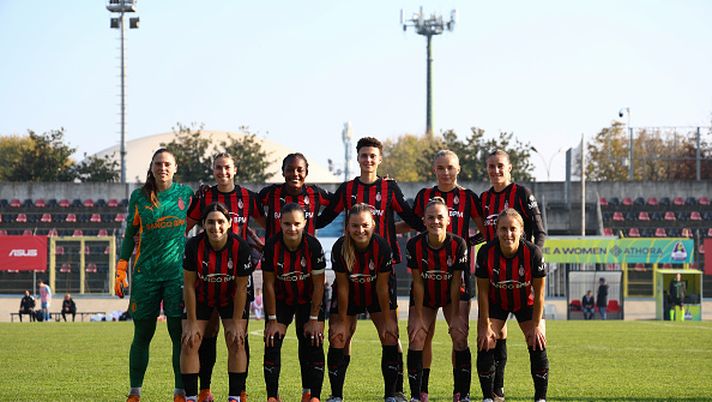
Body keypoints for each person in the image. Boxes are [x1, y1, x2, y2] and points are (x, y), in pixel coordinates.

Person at [317, 137, 425, 401]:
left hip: (382, 270)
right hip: (350, 269)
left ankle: (395, 391)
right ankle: (336, 394)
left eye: (372, 156)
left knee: (389, 332)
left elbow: (412, 219)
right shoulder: (347, 189)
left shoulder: (390, 188)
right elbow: (322, 218)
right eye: (364, 155)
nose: (368, 160)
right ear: (357, 158)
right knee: (341, 333)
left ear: (380, 159)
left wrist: (438, 226)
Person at [114, 147, 195, 402]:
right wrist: (121, 266)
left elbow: (208, 222)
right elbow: (130, 233)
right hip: (145, 275)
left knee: (178, 335)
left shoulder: (186, 194)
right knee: (142, 334)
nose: (163, 168)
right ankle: (134, 392)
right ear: (151, 167)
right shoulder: (139, 196)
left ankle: (180, 392)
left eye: (167, 164)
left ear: (175, 167)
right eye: (158, 164)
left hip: (176, 276)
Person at [186, 152, 266, 402]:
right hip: (207, 272)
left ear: (235, 170)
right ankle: (204, 390)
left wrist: (263, 246)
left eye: (227, 168)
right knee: (206, 332)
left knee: (237, 333)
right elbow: (185, 225)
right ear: (213, 170)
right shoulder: (204, 196)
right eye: (218, 168)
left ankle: (239, 393)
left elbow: (269, 223)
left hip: (238, 275)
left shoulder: (247, 197)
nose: (222, 172)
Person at [410, 150, 485, 401]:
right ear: (434, 170)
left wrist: (465, 243)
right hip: (429, 273)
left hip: (458, 273)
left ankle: (459, 392)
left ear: (458, 169)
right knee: (422, 333)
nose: (445, 172)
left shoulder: (468, 197)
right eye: (440, 168)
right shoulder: (424, 196)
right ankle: (421, 390)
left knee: (459, 333)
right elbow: (413, 223)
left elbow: (485, 230)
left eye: (450, 168)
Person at [479, 149, 547, 401]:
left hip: (522, 279)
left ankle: (540, 396)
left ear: (509, 168)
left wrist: (530, 260)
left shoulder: (522, 194)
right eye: (491, 166)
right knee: (491, 336)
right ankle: (496, 390)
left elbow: (539, 231)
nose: (495, 171)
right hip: (495, 277)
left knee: (536, 338)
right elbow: (482, 231)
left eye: (500, 166)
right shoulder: (484, 198)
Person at [326, 204, 401, 402]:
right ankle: (336, 395)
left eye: (365, 225)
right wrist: (342, 320)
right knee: (338, 336)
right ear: (347, 228)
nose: (360, 230)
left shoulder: (382, 247)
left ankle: (391, 395)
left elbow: (382, 288)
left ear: (373, 225)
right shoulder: (339, 248)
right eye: (355, 226)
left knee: (390, 335)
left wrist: (387, 319)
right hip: (349, 294)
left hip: (377, 294)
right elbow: (342, 288)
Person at [181, 202, 252, 402]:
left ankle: (235, 397)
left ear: (229, 223)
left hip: (230, 297)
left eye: (221, 222)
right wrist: (192, 322)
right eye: (210, 222)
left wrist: (238, 322)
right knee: (190, 340)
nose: (216, 227)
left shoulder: (241, 247)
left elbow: (241, 287)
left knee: (236, 339)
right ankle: (191, 397)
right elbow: (188, 285)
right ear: (203, 224)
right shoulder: (193, 245)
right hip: (201, 296)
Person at [406, 197, 470, 402]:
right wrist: (417, 316)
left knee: (459, 335)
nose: (435, 221)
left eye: (440, 217)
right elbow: (417, 282)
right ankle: (419, 394)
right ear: (423, 221)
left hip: (453, 295)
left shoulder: (458, 244)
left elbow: (455, 283)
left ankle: (461, 393)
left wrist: (457, 316)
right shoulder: (414, 244)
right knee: (417, 336)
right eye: (430, 218)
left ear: (448, 219)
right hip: (425, 293)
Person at [262, 203, 327, 402]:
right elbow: (269, 285)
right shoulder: (272, 246)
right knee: (272, 340)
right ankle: (272, 397)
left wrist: (314, 318)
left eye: (297, 224)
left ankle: (311, 395)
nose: (292, 228)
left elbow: (319, 286)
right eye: (287, 223)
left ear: (305, 223)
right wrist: (272, 319)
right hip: (282, 300)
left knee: (313, 340)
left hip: (309, 301)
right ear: (280, 223)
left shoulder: (313, 246)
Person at [259, 152, 332, 239]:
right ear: (283, 172)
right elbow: (251, 209)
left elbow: (339, 204)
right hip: (275, 251)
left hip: (307, 251)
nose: (295, 174)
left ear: (306, 172)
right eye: (289, 170)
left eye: (300, 170)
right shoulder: (270, 193)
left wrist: (318, 222)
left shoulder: (316, 193)